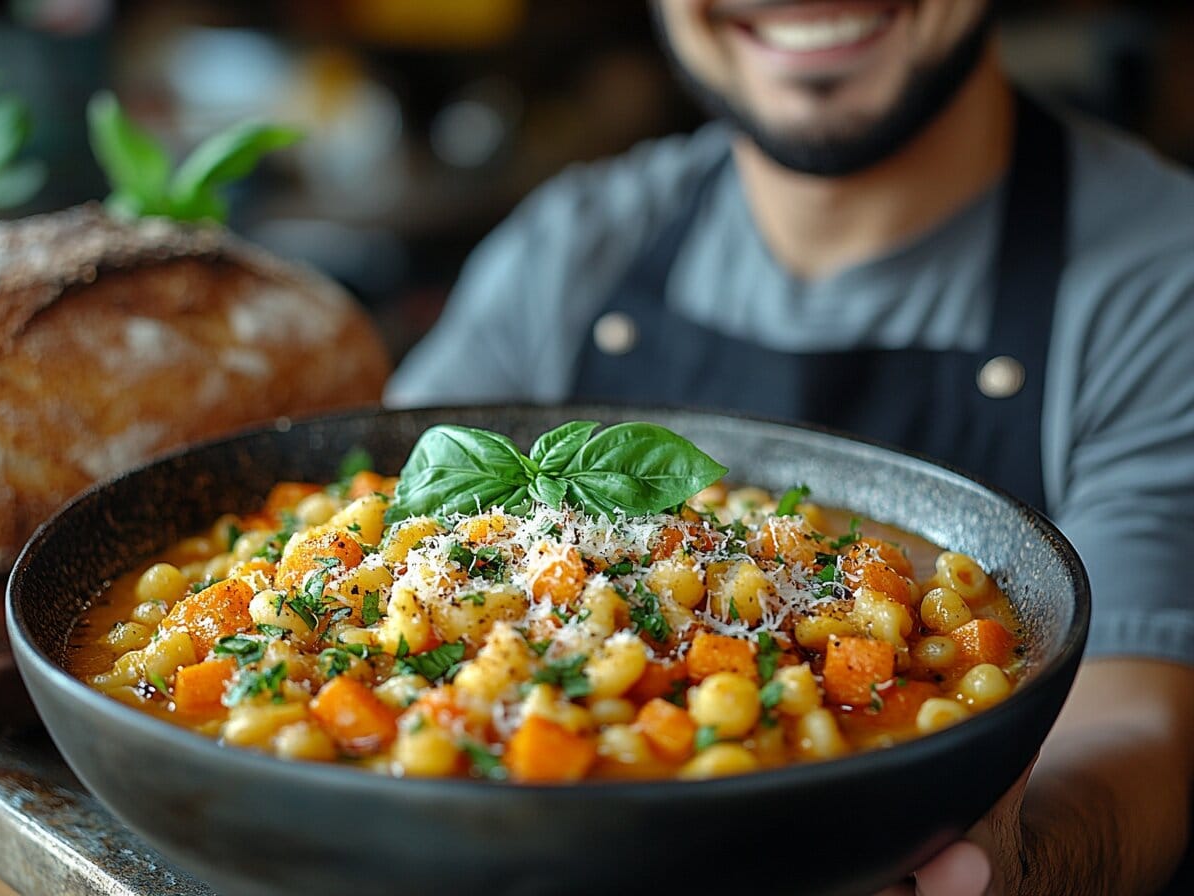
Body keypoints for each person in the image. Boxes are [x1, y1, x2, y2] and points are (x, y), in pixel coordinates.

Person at [387, 1, 1194, 893]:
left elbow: (1136, 733)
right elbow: (400, 505)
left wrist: (1020, 866)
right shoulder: (566, 248)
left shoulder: (1165, 279)